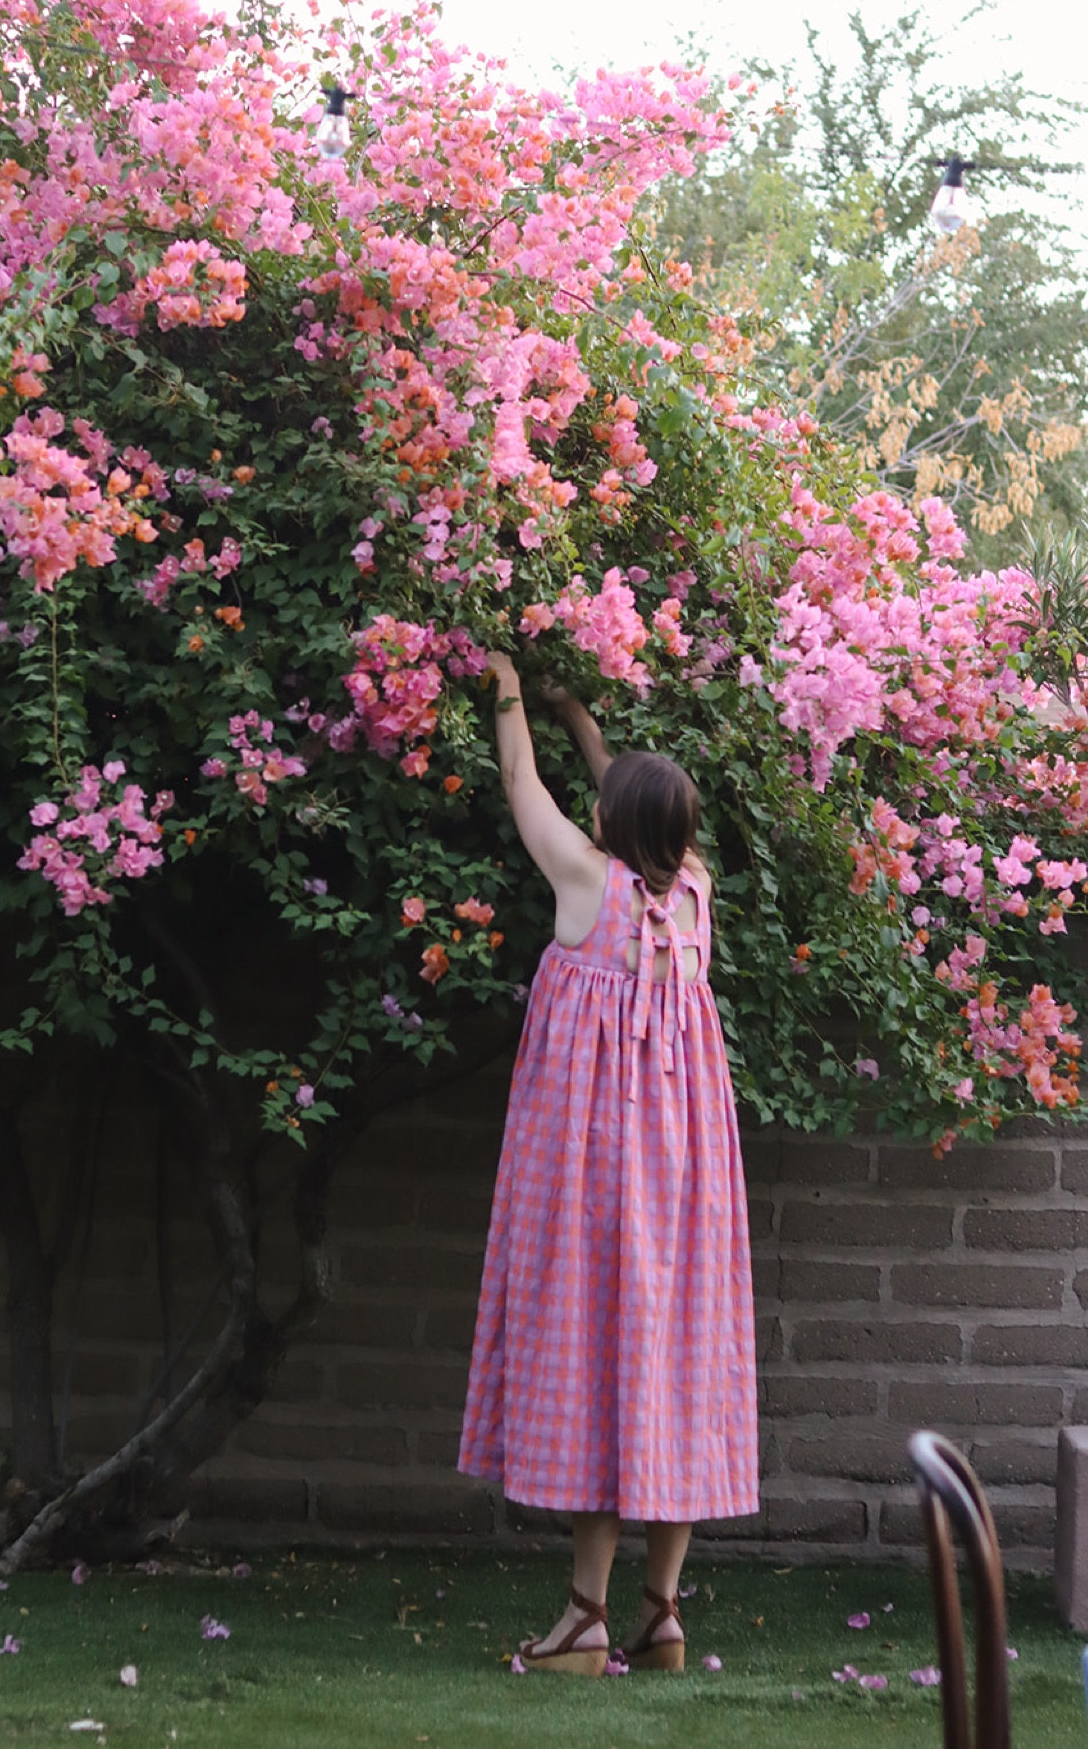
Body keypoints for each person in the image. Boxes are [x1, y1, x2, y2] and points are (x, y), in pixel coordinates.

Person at [457, 653, 758, 1675]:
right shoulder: (697, 896)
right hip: (688, 1185)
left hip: (593, 1173)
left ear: (611, 822)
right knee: (668, 1368)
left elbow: (518, 784)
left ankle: (584, 1618)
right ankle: (660, 1612)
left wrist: (504, 680)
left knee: (597, 1365)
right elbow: (627, 794)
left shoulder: (586, 880)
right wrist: (582, 713)